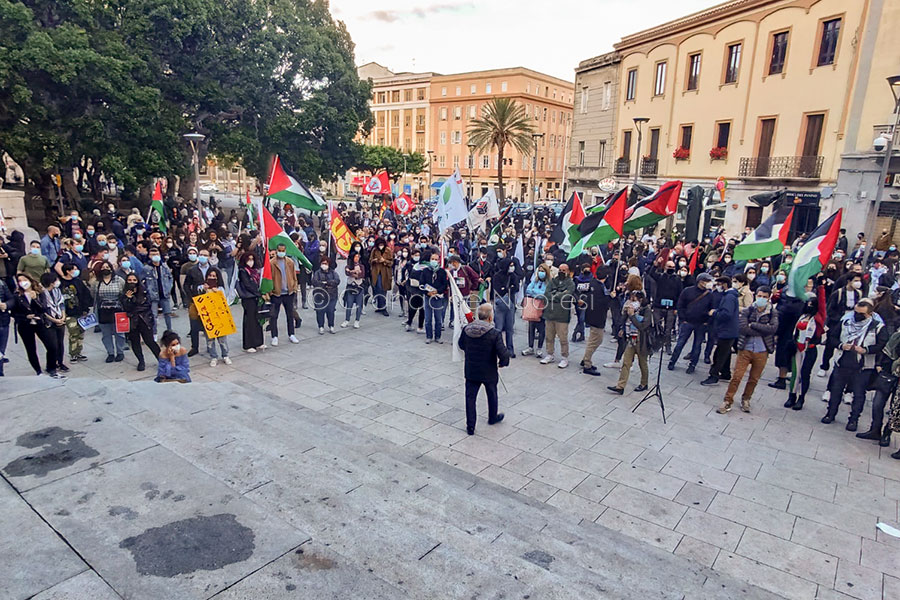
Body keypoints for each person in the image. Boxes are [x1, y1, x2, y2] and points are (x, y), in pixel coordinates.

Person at [821, 299, 888, 430]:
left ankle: (853, 420)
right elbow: (832, 337)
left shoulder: (878, 327)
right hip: (843, 361)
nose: (857, 316)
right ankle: (830, 413)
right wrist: (841, 345)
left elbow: (882, 345)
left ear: (869, 314)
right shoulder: (846, 321)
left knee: (858, 394)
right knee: (836, 389)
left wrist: (866, 350)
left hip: (863, 366)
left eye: (861, 314)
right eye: (856, 312)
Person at [718, 287, 778, 414]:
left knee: (754, 378)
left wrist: (754, 325)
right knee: (737, 377)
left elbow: (773, 329)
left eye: (764, 297)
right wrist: (763, 329)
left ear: (768, 298)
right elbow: (743, 328)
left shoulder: (772, 313)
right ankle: (728, 400)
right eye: (759, 296)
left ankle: (746, 399)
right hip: (745, 348)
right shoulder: (748, 310)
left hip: (762, 350)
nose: (761, 299)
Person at [457, 303, 511, 436]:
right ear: (490, 317)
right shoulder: (494, 333)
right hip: (489, 370)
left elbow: (461, 344)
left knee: (470, 397)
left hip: (471, 369)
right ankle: (492, 417)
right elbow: (503, 353)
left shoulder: (467, 329)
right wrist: (503, 363)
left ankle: (470, 426)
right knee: (492, 393)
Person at [11, 273, 63, 377]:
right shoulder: (17, 296)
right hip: (25, 325)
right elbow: (13, 313)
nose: (23, 283)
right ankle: (38, 370)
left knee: (52, 346)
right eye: (20, 281)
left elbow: (43, 308)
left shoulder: (40, 293)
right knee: (31, 348)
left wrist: (35, 299)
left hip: (40, 322)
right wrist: (25, 316)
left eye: (24, 280)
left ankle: (51, 367)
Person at [784, 285, 827, 410]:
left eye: (812, 304)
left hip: (809, 349)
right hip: (797, 348)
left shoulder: (818, 318)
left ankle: (801, 398)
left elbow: (822, 306)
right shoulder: (802, 316)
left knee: (805, 374)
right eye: (808, 303)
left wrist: (821, 288)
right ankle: (792, 396)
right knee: (795, 373)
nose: (809, 306)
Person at [818, 273, 866, 377]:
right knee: (830, 346)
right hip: (837, 323)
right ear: (849, 281)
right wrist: (838, 319)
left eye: (859, 281)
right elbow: (830, 310)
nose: (858, 283)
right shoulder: (838, 293)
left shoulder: (859, 294)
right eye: (855, 281)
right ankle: (824, 366)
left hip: (852, 324)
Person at [607, 290, 653, 394]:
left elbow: (642, 326)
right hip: (631, 339)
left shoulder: (647, 311)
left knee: (642, 363)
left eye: (634, 299)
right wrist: (625, 315)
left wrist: (632, 316)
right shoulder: (631, 309)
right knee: (626, 363)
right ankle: (620, 386)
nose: (632, 301)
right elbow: (624, 321)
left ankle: (644, 383)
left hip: (641, 341)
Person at [668, 273, 715, 374]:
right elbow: (680, 305)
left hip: (701, 323)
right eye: (706, 281)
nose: (707, 283)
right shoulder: (687, 291)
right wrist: (682, 319)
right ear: (700, 281)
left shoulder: (710, 295)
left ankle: (693, 364)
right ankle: (672, 361)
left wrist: (707, 322)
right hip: (687, 322)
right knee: (680, 343)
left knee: (697, 346)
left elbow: (712, 308)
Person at [182, 248, 224, 355]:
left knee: (209, 325)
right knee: (194, 325)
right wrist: (192, 297)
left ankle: (210, 347)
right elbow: (186, 285)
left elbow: (221, 285)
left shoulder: (214, 270)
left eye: (205, 255)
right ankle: (194, 347)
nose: (202, 257)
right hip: (196, 300)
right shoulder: (192, 270)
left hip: (211, 301)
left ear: (209, 257)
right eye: (201, 255)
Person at [701, 276, 739, 386]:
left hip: (726, 330)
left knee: (719, 354)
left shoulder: (729, 297)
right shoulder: (730, 295)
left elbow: (726, 314)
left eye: (719, 284)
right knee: (726, 352)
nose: (717, 287)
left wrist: (714, 313)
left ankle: (714, 376)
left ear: (725, 284)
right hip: (729, 330)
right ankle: (726, 373)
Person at [120, 272, 161, 371]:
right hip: (132, 321)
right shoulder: (124, 293)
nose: (132, 282)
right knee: (135, 342)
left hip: (144, 319)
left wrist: (133, 299)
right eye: (129, 280)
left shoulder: (144, 291)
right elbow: (125, 308)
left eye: (134, 280)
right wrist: (128, 299)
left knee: (150, 341)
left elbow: (145, 305)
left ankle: (161, 360)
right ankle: (141, 361)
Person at [541, 263, 576, 368]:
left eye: (564, 270)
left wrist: (554, 296)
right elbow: (546, 293)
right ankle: (550, 354)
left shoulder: (570, 283)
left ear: (568, 271)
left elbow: (566, 295)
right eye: (560, 270)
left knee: (563, 338)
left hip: (562, 315)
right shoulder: (553, 281)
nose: (561, 272)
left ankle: (564, 357)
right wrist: (557, 295)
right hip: (549, 313)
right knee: (549, 336)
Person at [93, 261, 126, 362]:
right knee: (106, 334)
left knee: (119, 333)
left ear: (111, 268)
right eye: (103, 267)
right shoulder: (97, 282)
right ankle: (110, 352)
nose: (105, 269)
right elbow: (94, 296)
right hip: (103, 310)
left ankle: (120, 351)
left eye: (107, 267)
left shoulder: (119, 280)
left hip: (118, 309)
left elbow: (124, 293)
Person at [581, 266, 611, 375]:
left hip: (592, 315)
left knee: (592, 339)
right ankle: (587, 363)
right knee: (595, 341)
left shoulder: (593, 283)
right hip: (597, 317)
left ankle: (585, 358)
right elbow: (602, 303)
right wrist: (610, 297)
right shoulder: (598, 288)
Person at [491, 249, 522, 356]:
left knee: (510, 329)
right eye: (510, 265)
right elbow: (498, 289)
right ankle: (497, 348)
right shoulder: (497, 276)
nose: (512, 267)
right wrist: (508, 288)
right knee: (498, 328)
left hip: (511, 304)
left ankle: (510, 349)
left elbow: (516, 288)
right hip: (500, 304)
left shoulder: (513, 276)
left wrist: (506, 288)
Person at [268, 243, 300, 346]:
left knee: (290, 314)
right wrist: (270, 291)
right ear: (277, 251)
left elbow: (294, 276)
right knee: (274, 316)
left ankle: (291, 334)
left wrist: (294, 287)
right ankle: (274, 336)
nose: (281, 252)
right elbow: (269, 278)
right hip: (276, 293)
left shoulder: (290, 262)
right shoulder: (272, 263)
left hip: (288, 292)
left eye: (283, 250)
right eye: (280, 250)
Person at [201, 268, 232, 366]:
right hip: (208, 317)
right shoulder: (202, 288)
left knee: (222, 339)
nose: (212, 278)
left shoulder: (220, 289)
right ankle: (213, 356)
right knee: (210, 339)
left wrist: (217, 292)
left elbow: (224, 302)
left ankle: (225, 355)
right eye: (210, 276)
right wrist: (204, 290)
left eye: (214, 276)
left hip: (219, 317)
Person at [236, 252, 266, 352]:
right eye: (248, 259)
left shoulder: (255, 271)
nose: (251, 262)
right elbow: (247, 284)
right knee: (249, 320)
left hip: (256, 297)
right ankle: (249, 344)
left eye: (252, 259)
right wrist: (258, 293)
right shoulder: (243, 271)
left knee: (258, 319)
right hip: (248, 298)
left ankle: (258, 342)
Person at [39, 271, 68, 374]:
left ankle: (60, 362)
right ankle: (51, 366)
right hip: (49, 322)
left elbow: (61, 304)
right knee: (52, 345)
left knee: (60, 343)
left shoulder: (57, 291)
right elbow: (43, 311)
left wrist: (63, 317)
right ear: (51, 282)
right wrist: (54, 320)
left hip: (60, 318)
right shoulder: (41, 294)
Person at [143, 246, 175, 336]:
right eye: (153, 254)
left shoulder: (164, 266)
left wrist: (169, 288)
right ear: (149, 256)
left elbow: (170, 278)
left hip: (164, 294)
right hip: (153, 295)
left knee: (167, 313)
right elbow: (142, 281)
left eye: (157, 254)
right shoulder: (146, 268)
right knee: (153, 315)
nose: (155, 256)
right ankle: (154, 333)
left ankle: (170, 331)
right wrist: (148, 291)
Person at [522, 263, 551, 358]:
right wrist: (538, 293)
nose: (541, 273)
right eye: (540, 271)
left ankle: (539, 348)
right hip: (533, 306)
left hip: (543, 307)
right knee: (531, 327)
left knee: (541, 329)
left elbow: (545, 294)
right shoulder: (535, 281)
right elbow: (528, 290)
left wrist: (535, 292)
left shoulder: (549, 283)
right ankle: (530, 347)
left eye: (543, 271)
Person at [420, 250, 449, 344]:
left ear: (439, 261)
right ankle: (429, 336)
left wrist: (437, 291)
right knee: (428, 318)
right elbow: (421, 284)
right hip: (428, 297)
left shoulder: (442, 272)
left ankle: (438, 336)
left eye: (436, 259)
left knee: (438, 318)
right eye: (432, 259)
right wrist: (427, 292)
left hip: (438, 297)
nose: (434, 261)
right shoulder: (425, 271)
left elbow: (445, 285)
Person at [312, 256, 340, 334]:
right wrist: (324, 284)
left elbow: (337, 281)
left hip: (332, 295)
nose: (324, 265)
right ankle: (321, 326)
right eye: (323, 263)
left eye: (326, 263)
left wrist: (327, 282)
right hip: (320, 296)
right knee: (320, 311)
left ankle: (331, 325)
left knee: (331, 311)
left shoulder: (333, 272)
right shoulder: (317, 273)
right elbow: (315, 282)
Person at [404, 248, 427, 333]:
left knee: (413, 307)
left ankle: (409, 324)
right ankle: (419, 327)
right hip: (419, 290)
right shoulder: (424, 267)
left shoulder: (416, 266)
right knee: (421, 308)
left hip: (413, 289)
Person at [369, 238, 393, 316]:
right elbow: (370, 260)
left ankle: (383, 307)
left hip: (385, 272)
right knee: (378, 288)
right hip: (376, 272)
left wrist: (384, 261)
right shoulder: (374, 250)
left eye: (382, 245)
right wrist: (375, 260)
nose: (381, 246)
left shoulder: (388, 250)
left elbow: (391, 262)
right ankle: (380, 306)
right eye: (379, 245)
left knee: (383, 289)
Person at [342, 251, 365, 329]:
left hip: (359, 287)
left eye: (358, 257)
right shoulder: (348, 265)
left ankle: (357, 320)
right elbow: (347, 273)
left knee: (359, 305)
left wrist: (353, 273)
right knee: (349, 304)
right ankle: (347, 320)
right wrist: (354, 272)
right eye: (355, 257)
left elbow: (361, 275)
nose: (357, 258)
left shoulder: (361, 266)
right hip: (350, 287)